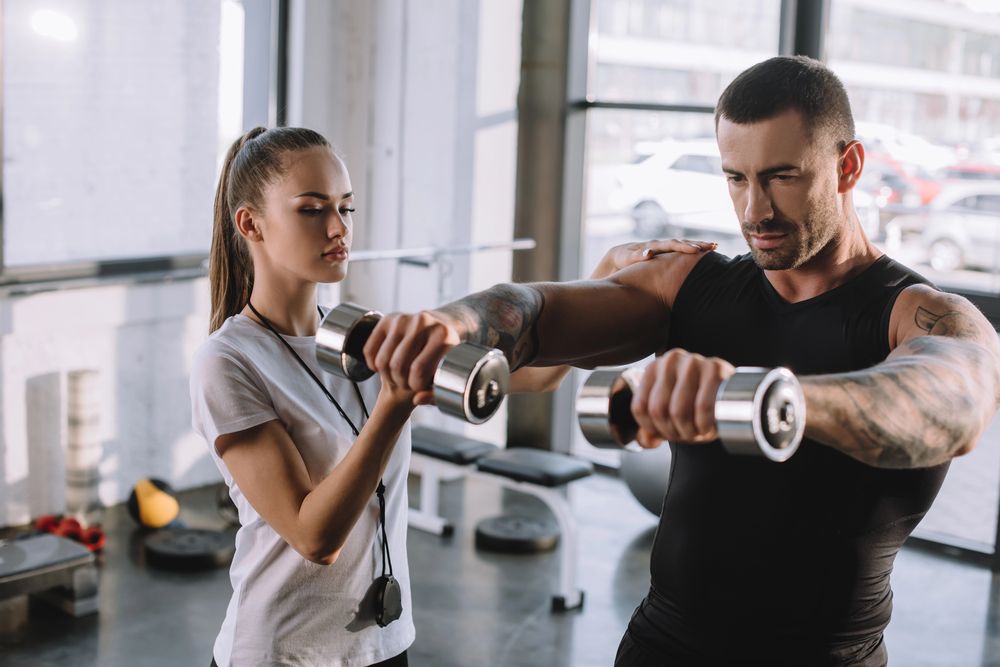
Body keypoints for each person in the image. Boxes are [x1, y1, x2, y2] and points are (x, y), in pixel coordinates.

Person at [359, 56, 1000, 666]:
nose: (756, 211)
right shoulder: (692, 284)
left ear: (849, 165)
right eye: (736, 178)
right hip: (663, 646)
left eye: (782, 176)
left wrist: (769, 398)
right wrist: (453, 323)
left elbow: (952, 405)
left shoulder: (916, 312)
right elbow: (537, 312)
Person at [189, 125, 712, 666]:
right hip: (282, 653)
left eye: (346, 208)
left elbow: (539, 373)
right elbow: (314, 536)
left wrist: (604, 279)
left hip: (384, 644)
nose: (337, 227)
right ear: (250, 223)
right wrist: (395, 403)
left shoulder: (363, 334)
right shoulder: (228, 363)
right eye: (312, 209)